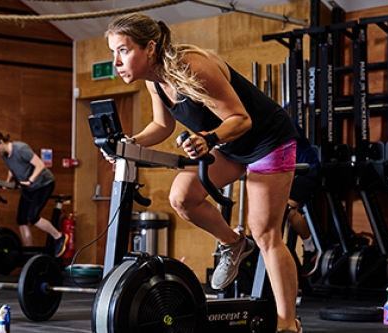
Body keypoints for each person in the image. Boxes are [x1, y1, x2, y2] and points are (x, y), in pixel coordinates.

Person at [102, 13, 302, 332]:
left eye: (123, 50)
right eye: (113, 52)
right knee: (183, 198)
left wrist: (207, 139)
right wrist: (128, 144)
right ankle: (234, 243)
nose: (116, 61)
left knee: (266, 234)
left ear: (150, 48)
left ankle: (287, 323)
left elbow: (242, 119)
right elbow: (161, 126)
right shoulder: (155, 81)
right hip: (230, 146)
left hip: (268, 140)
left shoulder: (191, 66)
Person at [0, 131, 69, 258]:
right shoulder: (4, 154)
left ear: (1, 142)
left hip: (43, 184)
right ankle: (29, 252)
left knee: (32, 217)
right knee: (21, 219)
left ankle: (59, 237)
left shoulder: (21, 148)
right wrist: (7, 182)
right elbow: (12, 168)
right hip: (28, 187)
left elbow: (40, 165)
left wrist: (30, 180)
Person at [286, 119, 322, 278]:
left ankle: (311, 248)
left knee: (288, 210)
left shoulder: (283, 122)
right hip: (288, 174)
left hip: (307, 171)